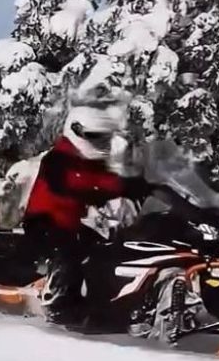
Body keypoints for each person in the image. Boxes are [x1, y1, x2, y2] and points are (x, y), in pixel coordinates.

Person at [22, 85, 151, 325]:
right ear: (76, 132)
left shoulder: (86, 160)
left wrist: (138, 184)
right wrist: (110, 190)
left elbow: (106, 179)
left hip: (71, 224)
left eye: (102, 138)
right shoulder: (58, 159)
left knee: (107, 249)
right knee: (68, 252)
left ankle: (107, 301)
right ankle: (58, 303)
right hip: (45, 221)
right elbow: (75, 184)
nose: (100, 143)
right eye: (94, 137)